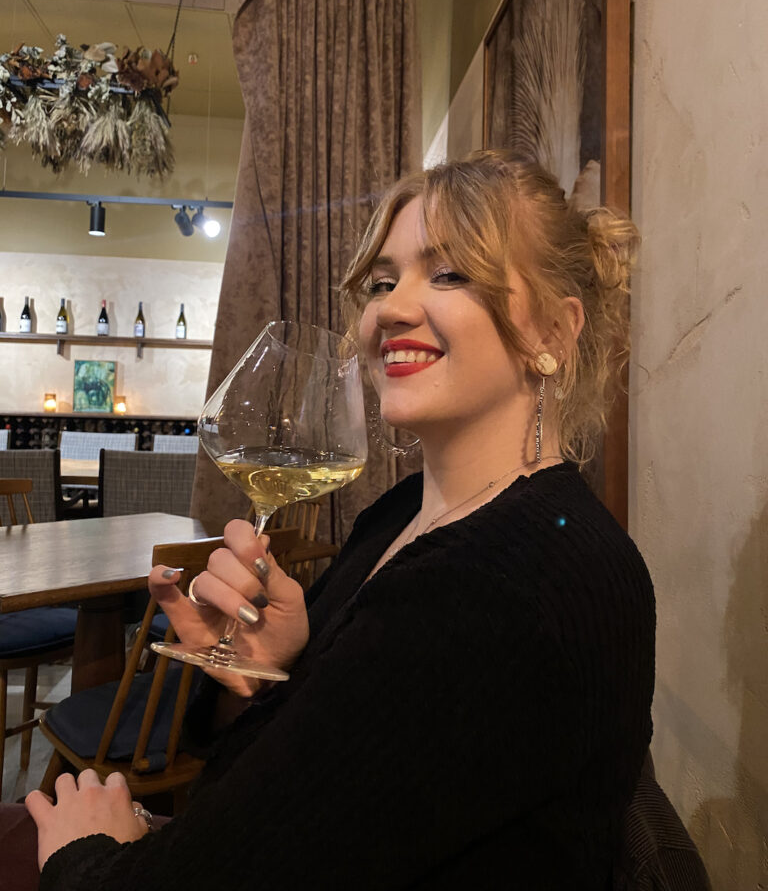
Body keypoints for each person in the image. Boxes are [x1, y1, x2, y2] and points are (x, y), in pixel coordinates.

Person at [22, 150, 654, 889]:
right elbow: (318, 797)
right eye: (383, 282)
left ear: (553, 331)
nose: (389, 308)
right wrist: (274, 669)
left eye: (449, 273)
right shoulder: (400, 517)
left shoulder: (501, 587)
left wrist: (81, 854)